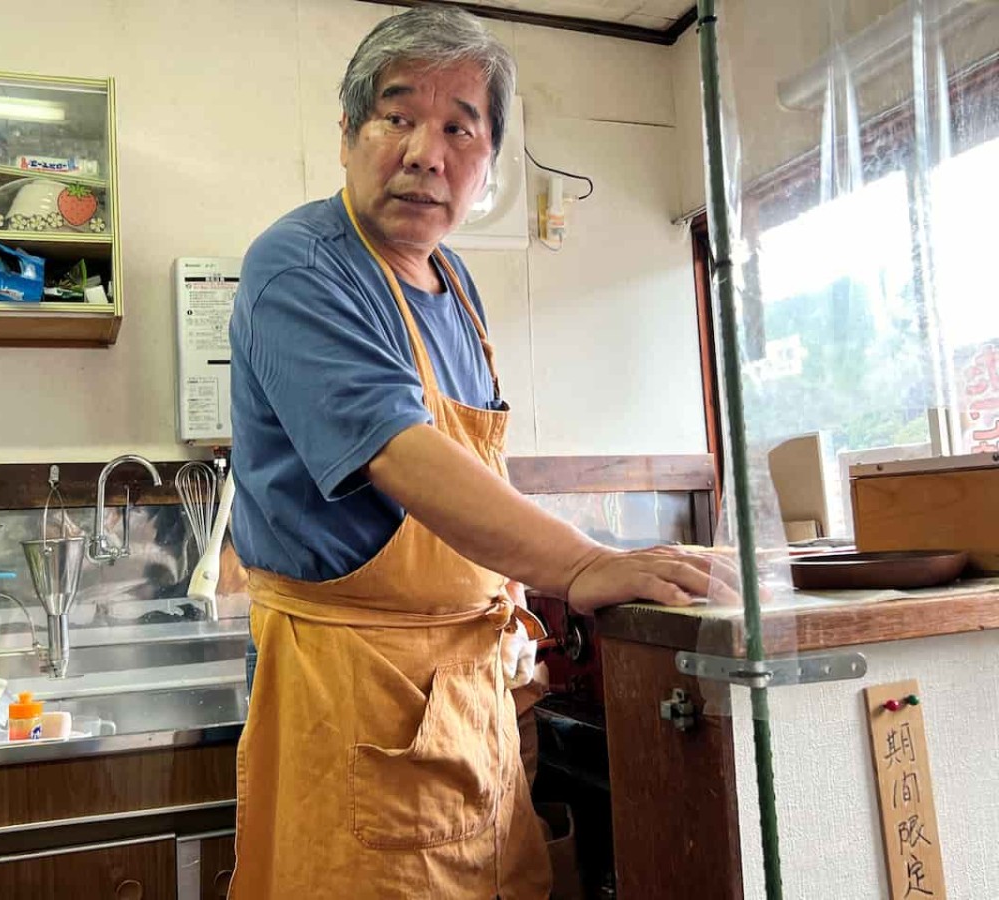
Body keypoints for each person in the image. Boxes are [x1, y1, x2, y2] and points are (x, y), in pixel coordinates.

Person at [228, 7, 721, 897]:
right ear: (346, 134)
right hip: (353, 700)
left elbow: (478, 474)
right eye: (398, 115)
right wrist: (581, 564)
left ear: (488, 160)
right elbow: (405, 455)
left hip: (469, 700)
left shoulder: (456, 286)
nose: (427, 150)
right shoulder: (302, 265)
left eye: (461, 126)